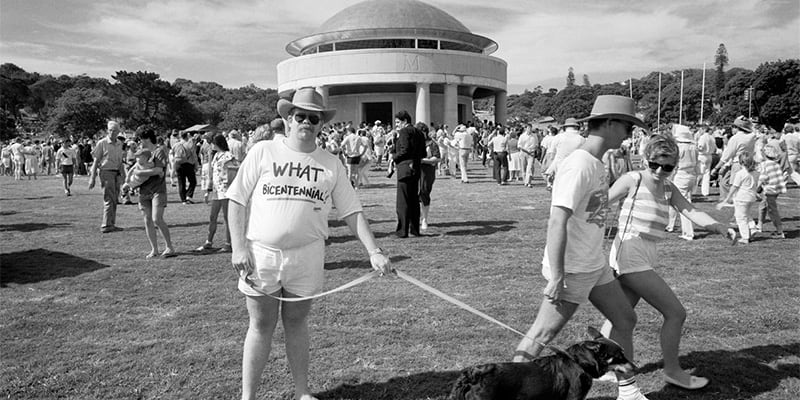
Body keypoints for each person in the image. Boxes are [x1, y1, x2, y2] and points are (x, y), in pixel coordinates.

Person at [226, 87, 391, 400]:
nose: (306, 122)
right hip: (262, 255)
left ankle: (302, 392)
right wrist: (238, 247)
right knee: (261, 325)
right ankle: (248, 396)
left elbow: (352, 211)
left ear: (320, 124)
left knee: (297, 323)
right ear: (288, 119)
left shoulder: (331, 164)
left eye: (313, 118)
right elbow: (236, 199)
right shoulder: (263, 151)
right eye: (299, 115)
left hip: (307, 256)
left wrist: (374, 251)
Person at [513, 95, 650, 400]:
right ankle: (508, 389)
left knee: (625, 318)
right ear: (611, 123)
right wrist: (557, 275)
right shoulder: (579, 164)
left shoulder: (596, 163)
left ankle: (627, 392)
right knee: (541, 336)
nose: (629, 133)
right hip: (572, 268)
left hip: (593, 263)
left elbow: (589, 215)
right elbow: (556, 222)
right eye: (627, 125)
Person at [600, 134, 736, 391]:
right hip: (630, 250)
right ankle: (673, 371)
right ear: (646, 159)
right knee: (675, 313)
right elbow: (600, 203)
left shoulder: (668, 188)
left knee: (620, 314)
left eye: (668, 166)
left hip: (647, 252)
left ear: (676, 164)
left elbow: (690, 210)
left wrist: (718, 225)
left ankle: (598, 362)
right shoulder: (633, 179)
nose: (660, 171)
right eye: (655, 164)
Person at [135, 129, 176, 258]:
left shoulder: (159, 152)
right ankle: (154, 249)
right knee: (147, 220)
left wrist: (140, 173)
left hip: (158, 190)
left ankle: (169, 247)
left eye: (140, 139)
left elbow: (158, 170)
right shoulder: (142, 153)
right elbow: (137, 168)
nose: (139, 142)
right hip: (143, 191)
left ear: (146, 138)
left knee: (156, 219)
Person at [197, 134, 240, 252]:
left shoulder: (229, 156)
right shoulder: (215, 156)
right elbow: (212, 174)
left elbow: (236, 169)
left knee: (227, 218)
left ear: (217, 143)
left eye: (212, 143)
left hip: (226, 191)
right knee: (213, 216)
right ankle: (209, 241)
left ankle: (228, 243)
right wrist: (208, 190)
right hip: (217, 191)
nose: (210, 145)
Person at [392, 111, 426, 237]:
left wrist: (394, 157)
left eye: (397, 122)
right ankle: (415, 229)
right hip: (416, 168)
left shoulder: (404, 132)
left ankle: (403, 230)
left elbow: (404, 150)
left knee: (402, 201)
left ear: (404, 121)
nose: (396, 125)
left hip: (405, 168)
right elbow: (423, 153)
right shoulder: (419, 133)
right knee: (413, 201)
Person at [89, 121, 126, 233]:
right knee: (109, 198)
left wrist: (123, 174)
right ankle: (106, 224)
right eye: (110, 130)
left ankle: (111, 223)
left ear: (119, 132)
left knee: (115, 198)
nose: (112, 132)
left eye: (115, 130)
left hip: (116, 172)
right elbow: (96, 161)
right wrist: (92, 177)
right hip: (106, 172)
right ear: (107, 131)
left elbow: (120, 161)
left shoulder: (120, 143)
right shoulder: (102, 143)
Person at [666, 125, 700, 240]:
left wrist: (669, 177)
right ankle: (672, 225)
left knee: (683, 204)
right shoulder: (693, 146)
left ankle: (688, 232)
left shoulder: (679, 147)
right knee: (680, 201)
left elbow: (674, 164)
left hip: (681, 175)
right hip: (691, 175)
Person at [716, 152, 759, 244]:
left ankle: (745, 237)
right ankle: (752, 227)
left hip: (742, 197)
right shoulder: (755, 173)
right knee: (746, 214)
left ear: (741, 162)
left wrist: (727, 198)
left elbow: (734, 187)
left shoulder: (740, 173)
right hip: (751, 197)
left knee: (740, 217)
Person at [712, 116, 756, 199]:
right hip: (748, 162)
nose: (732, 129)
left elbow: (726, 156)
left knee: (735, 184)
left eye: (733, 127)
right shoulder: (752, 137)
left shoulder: (735, 138)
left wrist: (716, 168)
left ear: (737, 127)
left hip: (737, 163)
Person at [757, 143, 787, 238]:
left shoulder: (765, 164)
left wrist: (756, 189)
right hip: (776, 189)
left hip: (770, 190)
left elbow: (762, 178)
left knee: (772, 210)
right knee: (763, 206)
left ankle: (779, 231)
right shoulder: (775, 164)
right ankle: (760, 225)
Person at [417, 122, 440, 230]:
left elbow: (437, 158)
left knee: (424, 193)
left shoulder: (432, 143)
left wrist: (423, 160)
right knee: (415, 195)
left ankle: (424, 219)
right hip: (416, 171)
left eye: (423, 133)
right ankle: (416, 218)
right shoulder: (413, 143)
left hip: (427, 172)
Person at [695, 126, 717, 196]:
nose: (699, 131)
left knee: (699, 173)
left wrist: (696, 147)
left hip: (702, 155)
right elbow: (714, 148)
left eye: (700, 129)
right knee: (707, 174)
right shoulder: (712, 137)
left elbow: (700, 147)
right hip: (709, 155)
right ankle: (705, 192)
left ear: (704, 129)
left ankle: (694, 190)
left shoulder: (703, 137)